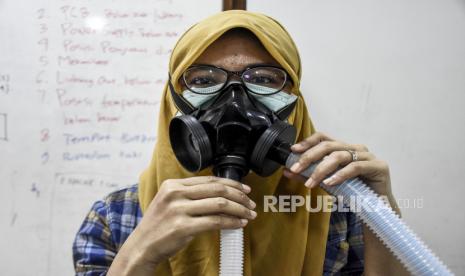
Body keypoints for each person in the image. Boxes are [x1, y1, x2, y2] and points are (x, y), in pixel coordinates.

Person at [73, 10, 408, 276]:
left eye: (262, 79)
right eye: (203, 80)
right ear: (172, 97)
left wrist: (381, 209)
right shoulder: (115, 217)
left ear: (294, 98)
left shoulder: (334, 210)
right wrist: (139, 254)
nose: (235, 101)